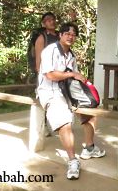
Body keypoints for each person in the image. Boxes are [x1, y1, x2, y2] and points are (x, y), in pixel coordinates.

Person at [37, 22, 105, 180]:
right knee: (65, 122)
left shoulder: (71, 55)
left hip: (66, 91)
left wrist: (83, 90)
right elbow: (50, 75)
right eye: (67, 33)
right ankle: (73, 160)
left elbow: (73, 78)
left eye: (73, 34)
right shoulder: (51, 50)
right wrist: (73, 75)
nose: (70, 36)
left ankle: (89, 147)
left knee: (91, 109)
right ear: (60, 35)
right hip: (49, 91)